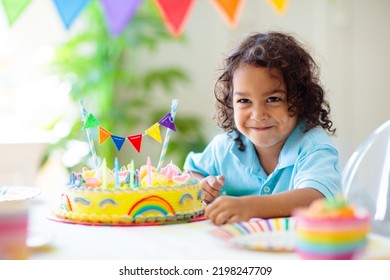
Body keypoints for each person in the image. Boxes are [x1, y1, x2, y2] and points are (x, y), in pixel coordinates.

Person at [184, 31, 342, 225]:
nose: (258, 114)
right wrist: (202, 185)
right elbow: (190, 173)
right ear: (230, 103)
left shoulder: (313, 146)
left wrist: (250, 207)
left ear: (300, 100)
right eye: (244, 100)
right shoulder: (224, 147)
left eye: (273, 99)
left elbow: (315, 199)